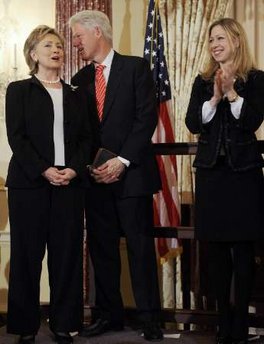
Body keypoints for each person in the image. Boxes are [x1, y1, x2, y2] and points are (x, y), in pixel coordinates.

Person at [69, 10, 163, 342]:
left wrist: (121, 160)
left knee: (139, 249)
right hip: (96, 181)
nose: (75, 42)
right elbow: (79, 132)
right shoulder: (80, 79)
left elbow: (145, 118)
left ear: (98, 32)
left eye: (79, 36)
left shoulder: (136, 68)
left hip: (132, 175)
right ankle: (109, 316)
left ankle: (151, 318)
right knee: (103, 252)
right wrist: (91, 168)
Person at [5, 25, 92, 344]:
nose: (56, 50)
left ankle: (64, 323)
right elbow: (17, 137)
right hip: (30, 184)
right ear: (33, 53)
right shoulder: (18, 90)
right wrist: (44, 169)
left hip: (69, 183)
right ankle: (25, 326)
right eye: (47, 45)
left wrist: (73, 169)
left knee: (66, 254)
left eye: (58, 45)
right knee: (27, 254)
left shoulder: (75, 94)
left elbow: (86, 139)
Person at [185, 18, 264, 344]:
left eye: (220, 38)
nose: (214, 44)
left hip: (243, 177)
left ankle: (241, 327)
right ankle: (223, 322)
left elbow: (252, 120)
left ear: (235, 40)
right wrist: (215, 97)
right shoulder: (202, 81)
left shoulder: (256, 79)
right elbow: (192, 122)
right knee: (215, 253)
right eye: (211, 39)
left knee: (243, 253)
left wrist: (231, 92)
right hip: (211, 177)